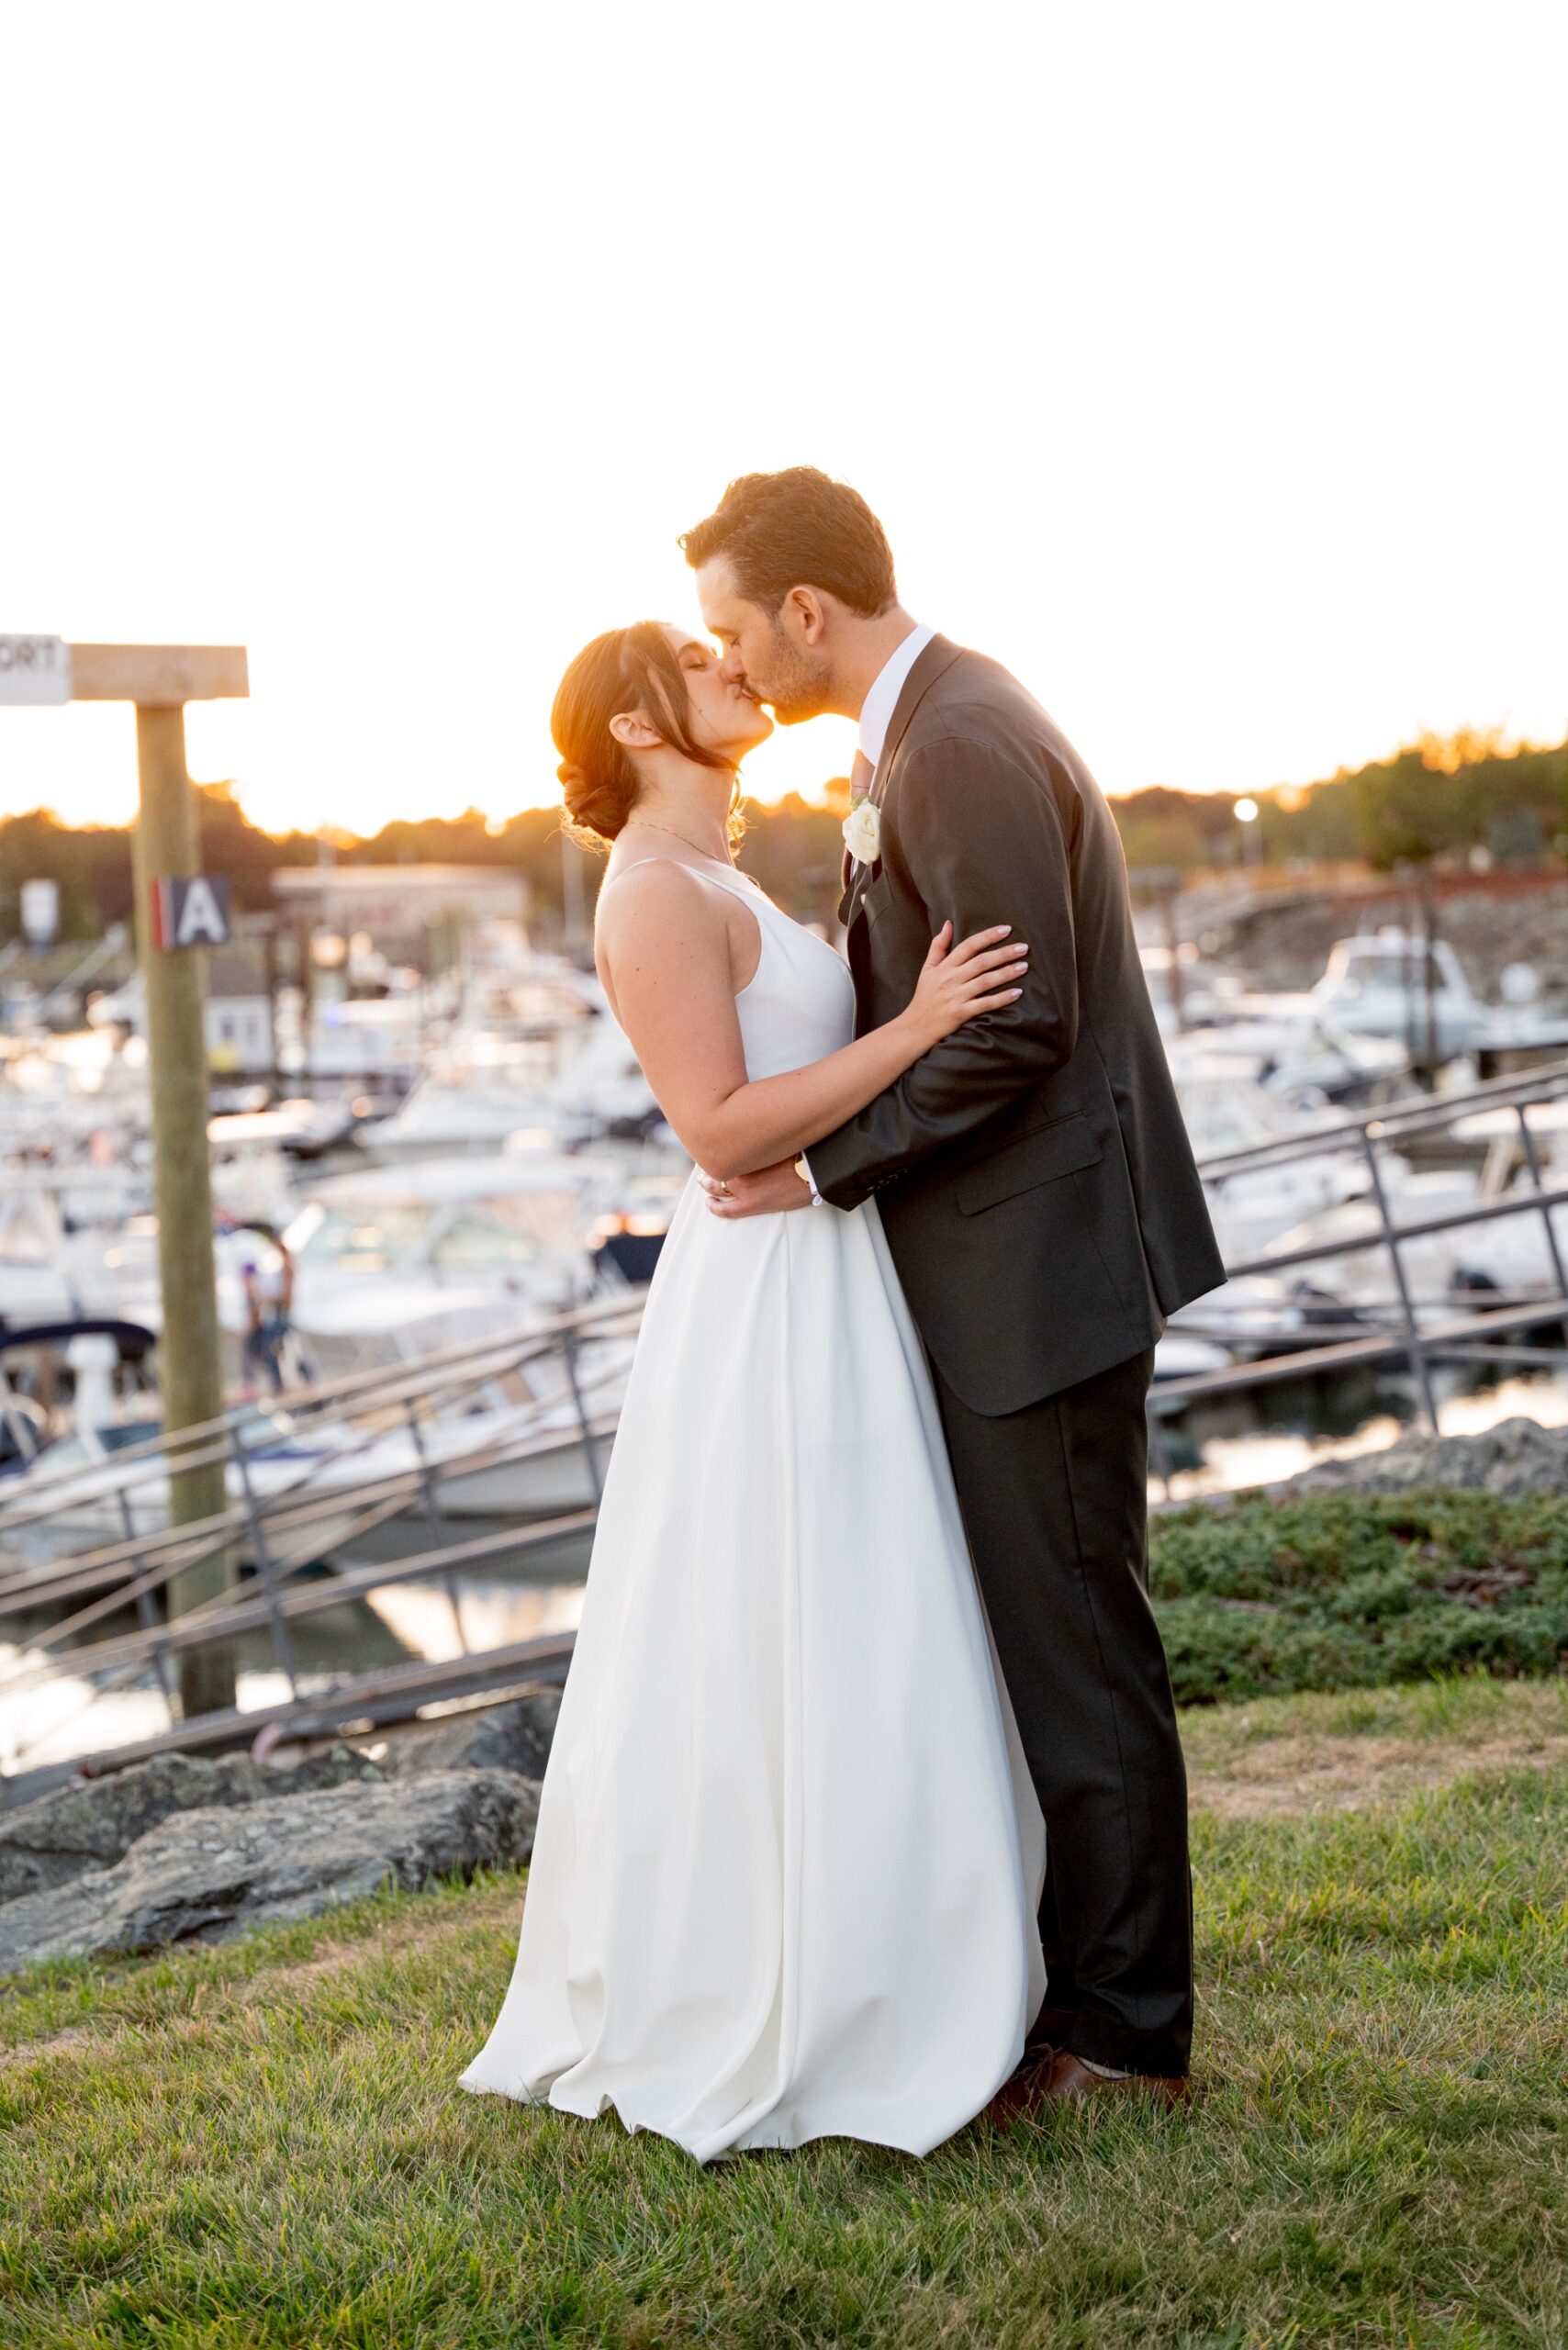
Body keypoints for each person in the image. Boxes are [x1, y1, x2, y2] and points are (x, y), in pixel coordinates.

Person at [461, 619, 1047, 2160]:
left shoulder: (715, 874)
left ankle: (907, 1946)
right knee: (792, 1616)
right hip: (767, 1290)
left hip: (834, 1269)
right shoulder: (650, 896)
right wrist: (919, 1026)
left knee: (870, 1610)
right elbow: (718, 1127)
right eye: (693, 658)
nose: (732, 665)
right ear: (638, 725)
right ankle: (793, 1981)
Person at [683, 469, 1225, 2109]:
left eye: (731, 627)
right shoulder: (922, 734)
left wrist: (817, 1168)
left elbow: (1019, 1017)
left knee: (1078, 1651)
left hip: (1040, 1270)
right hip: (1008, 1263)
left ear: (803, 610)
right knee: (1051, 1644)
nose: (734, 662)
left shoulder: (958, 742)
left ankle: (1125, 2036)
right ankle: (1078, 1993)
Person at [241, 1237, 295, 1396]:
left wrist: (266, 1298)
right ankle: (271, 1384)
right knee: (264, 1349)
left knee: (271, 1349)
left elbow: (286, 1299)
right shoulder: (272, 1272)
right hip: (270, 1316)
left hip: (279, 1316)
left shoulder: (286, 1271)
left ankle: (278, 1385)